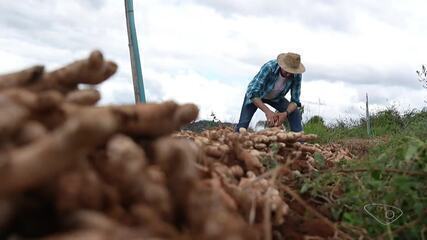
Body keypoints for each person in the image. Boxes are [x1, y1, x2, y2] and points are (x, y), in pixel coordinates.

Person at [235, 52, 305, 132]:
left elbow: (295, 101)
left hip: (276, 97)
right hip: (257, 95)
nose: (289, 74)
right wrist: (268, 112)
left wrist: (285, 113)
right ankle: (237, 137)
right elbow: (253, 93)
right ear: (282, 65)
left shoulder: (297, 74)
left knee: (295, 113)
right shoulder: (269, 67)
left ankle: (298, 140)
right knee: (242, 126)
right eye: (287, 70)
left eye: (291, 72)